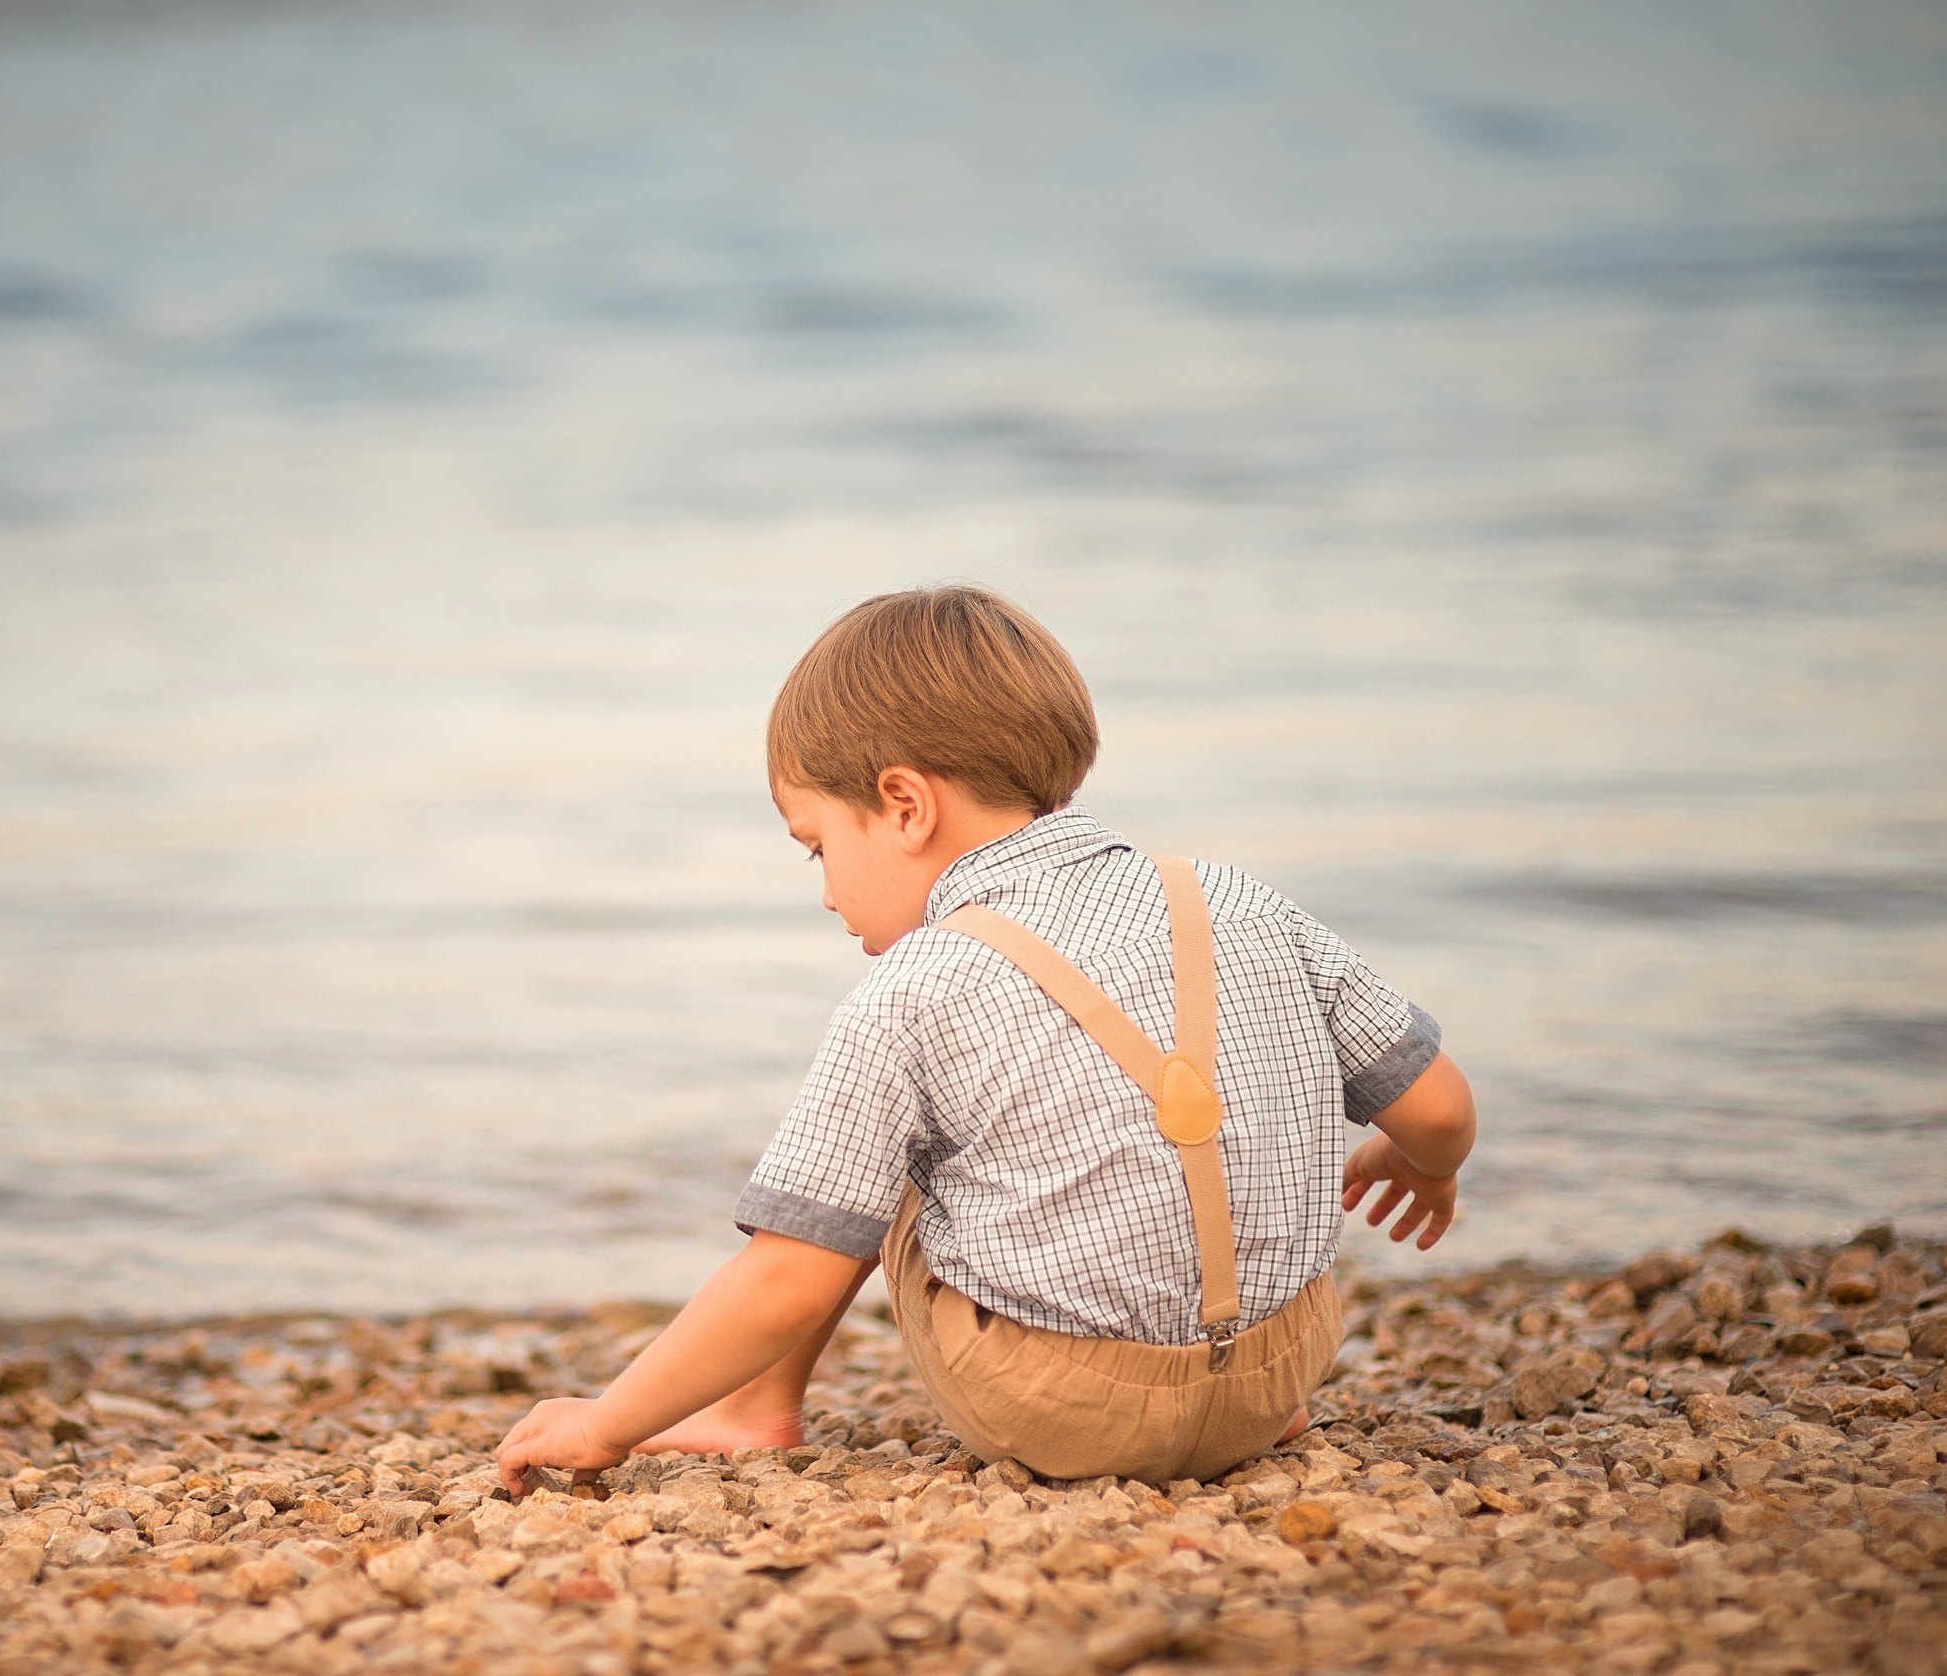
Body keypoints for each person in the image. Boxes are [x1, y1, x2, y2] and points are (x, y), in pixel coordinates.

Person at [497, 586, 1475, 1492]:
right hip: (1271, 1377)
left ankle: (752, 1405)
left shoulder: (916, 985)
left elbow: (786, 1277)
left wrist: (608, 1421)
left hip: (1064, 1411)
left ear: (905, 804)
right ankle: (1237, 1379)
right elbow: (1438, 1106)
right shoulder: (1236, 898)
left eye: (818, 844)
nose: (826, 888)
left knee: (872, 1161)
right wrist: (1420, 1165)